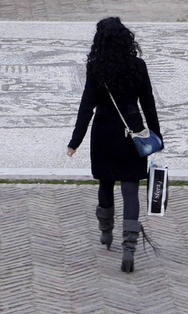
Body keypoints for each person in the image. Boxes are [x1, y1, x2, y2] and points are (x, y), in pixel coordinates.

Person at [67, 16, 162, 273]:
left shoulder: (96, 68)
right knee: (130, 189)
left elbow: (87, 106)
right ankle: (129, 248)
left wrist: (75, 141)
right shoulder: (138, 66)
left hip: (104, 133)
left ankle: (106, 234)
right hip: (133, 133)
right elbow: (149, 103)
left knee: (106, 183)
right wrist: (156, 137)